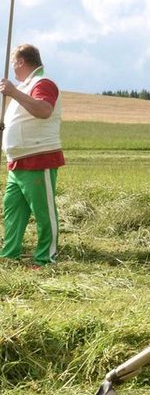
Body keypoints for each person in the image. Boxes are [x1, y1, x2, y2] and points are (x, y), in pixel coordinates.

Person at [0, 44, 65, 267]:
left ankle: (46, 258)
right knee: (12, 210)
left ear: (20, 62)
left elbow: (44, 110)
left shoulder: (42, 83)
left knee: (43, 211)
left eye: (12, 64)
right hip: (17, 161)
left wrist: (13, 92)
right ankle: (9, 255)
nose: (12, 69)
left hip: (38, 157)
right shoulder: (25, 86)